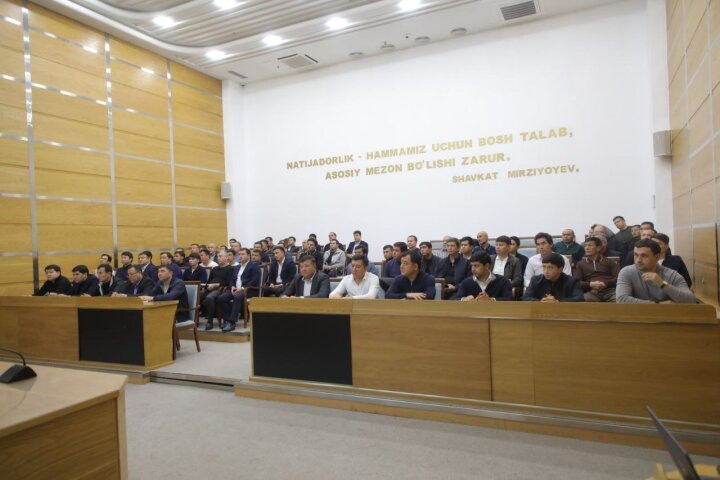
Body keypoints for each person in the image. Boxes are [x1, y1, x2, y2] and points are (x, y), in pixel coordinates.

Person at [616, 239, 696, 304]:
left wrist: (662, 284)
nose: (638, 260)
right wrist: (656, 304)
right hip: (638, 315)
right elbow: (621, 299)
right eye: (636, 255)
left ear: (657, 257)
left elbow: (691, 300)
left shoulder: (672, 274)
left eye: (644, 256)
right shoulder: (626, 272)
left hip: (666, 316)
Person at [218, 248, 262, 332]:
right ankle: (227, 319)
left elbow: (254, 281)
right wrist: (232, 287)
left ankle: (232, 322)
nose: (240, 256)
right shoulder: (237, 267)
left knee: (237, 297)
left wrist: (241, 288)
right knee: (221, 298)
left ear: (248, 255)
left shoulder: (254, 266)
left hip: (248, 290)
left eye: (243, 254)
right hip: (235, 289)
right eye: (239, 254)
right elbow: (232, 280)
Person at [573, 237, 619, 302]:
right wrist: (590, 284)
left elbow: (618, 278)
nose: (586, 248)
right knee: (582, 301)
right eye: (585, 246)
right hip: (592, 291)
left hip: (610, 291)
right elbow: (577, 282)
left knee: (620, 300)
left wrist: (605, 283)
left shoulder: (610, 261)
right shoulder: (580, 264)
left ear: (598, 248)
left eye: (590, 245)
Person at [201, 250, 234, 330]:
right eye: (217, 257)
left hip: (221, 289)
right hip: (210, 288)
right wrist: (206, 286)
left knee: (209, 298)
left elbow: (228, 282)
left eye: (220, 256)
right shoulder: (215, 269)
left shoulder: (230, 269)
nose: (218, 258)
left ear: (226, 257)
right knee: (197, 297)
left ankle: (210, 321)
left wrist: (216, 285)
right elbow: (209, 280)